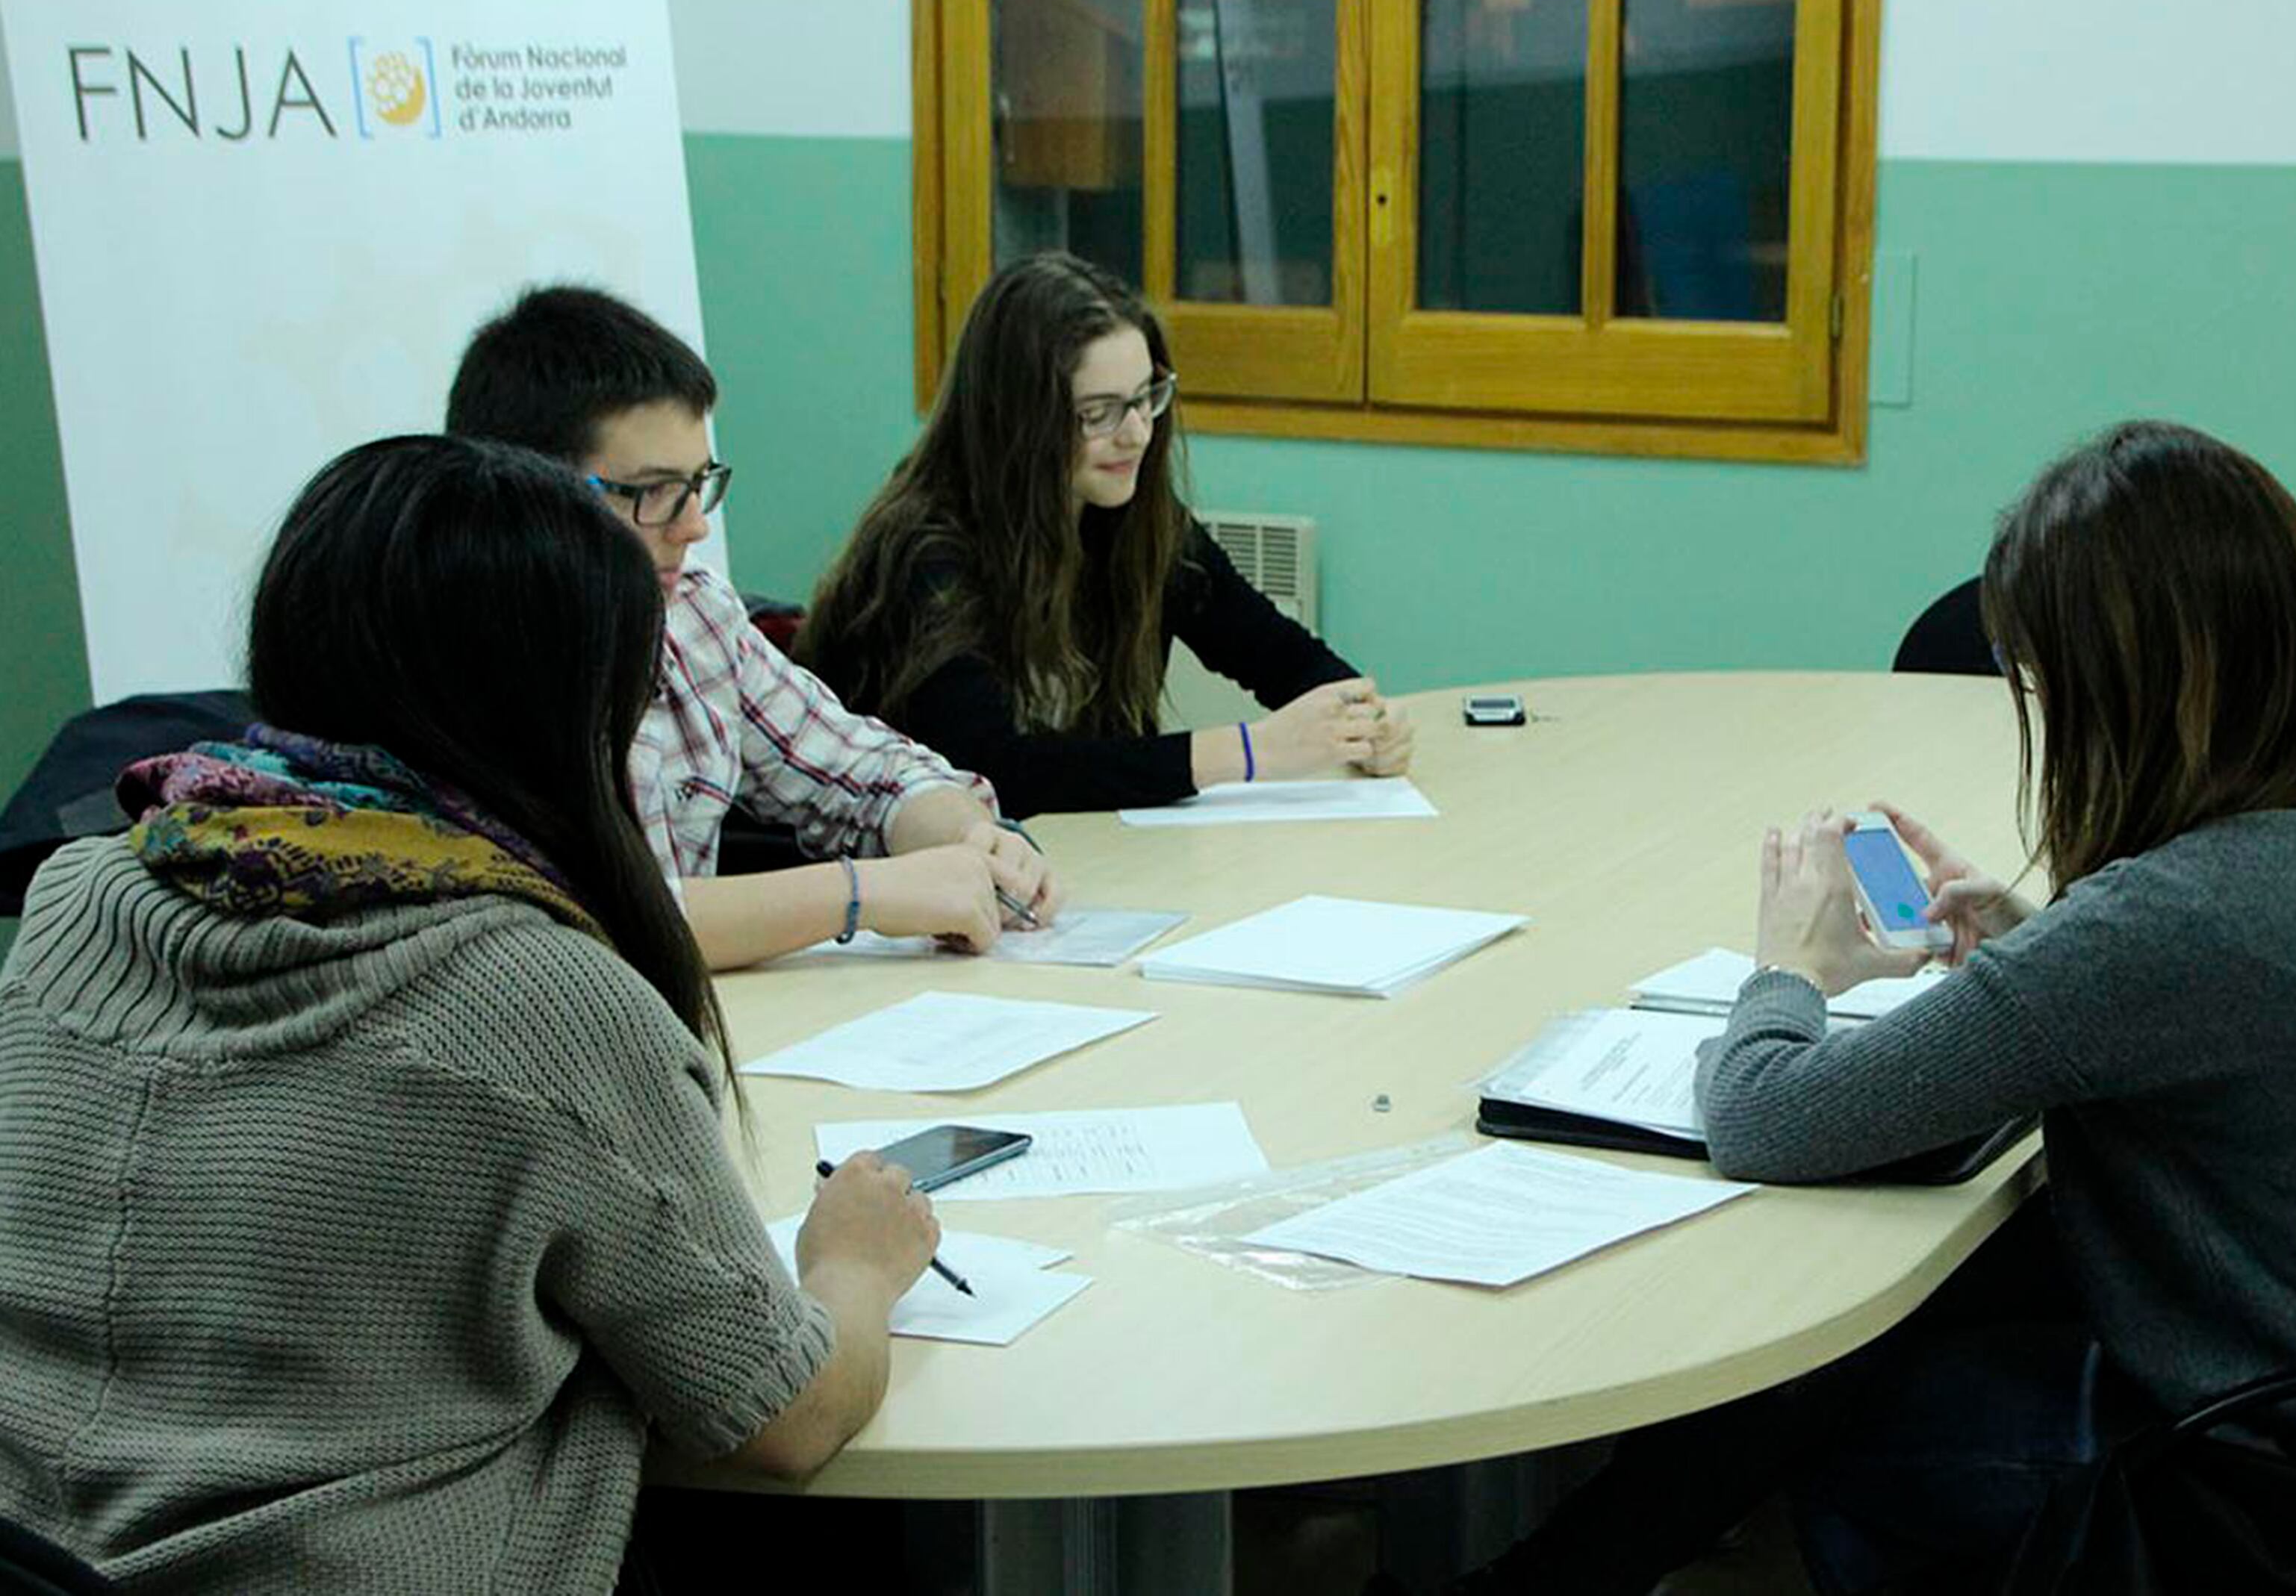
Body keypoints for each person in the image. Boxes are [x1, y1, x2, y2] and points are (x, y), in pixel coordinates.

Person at [1440, 422, 2296, 1595]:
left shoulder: (2164, 926)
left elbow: (1763, 1118)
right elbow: (2215, 996)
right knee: (1910, 1287)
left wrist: (1788, 967)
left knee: (1847, 1387)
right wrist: (2027, 943)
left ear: (2118, 691)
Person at [0, 437, 939, 1593]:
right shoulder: (539, 999)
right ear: (566, 706)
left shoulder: (78, 893)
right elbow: (781, 1416)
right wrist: (854, 1263)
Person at [447, 284, 1058, 968]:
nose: (694, 525)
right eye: (652, 493)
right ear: (523, 489)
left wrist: (972, 841)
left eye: (698, 482)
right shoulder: (461, 664)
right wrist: (856, 894)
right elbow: (579, 926)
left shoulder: (693, 615)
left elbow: (860, 770)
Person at [793, 251, 1412, 819]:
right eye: (1099, 413)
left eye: (1147, 398)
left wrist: (1359, 719)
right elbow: (994, 773)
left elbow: (1273, 650)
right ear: (1019, 418)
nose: (1137, 433)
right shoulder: (922, 554)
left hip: (1081, 864)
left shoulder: (1135, 517)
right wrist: (1248, 752)